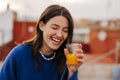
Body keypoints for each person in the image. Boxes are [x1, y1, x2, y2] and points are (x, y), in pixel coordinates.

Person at [0, 4, 84, 80]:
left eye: (65, 30)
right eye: (54, 28)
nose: (59, 34)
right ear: (41, 26)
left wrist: (71, 72)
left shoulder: (67, 60)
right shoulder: (20, 54)